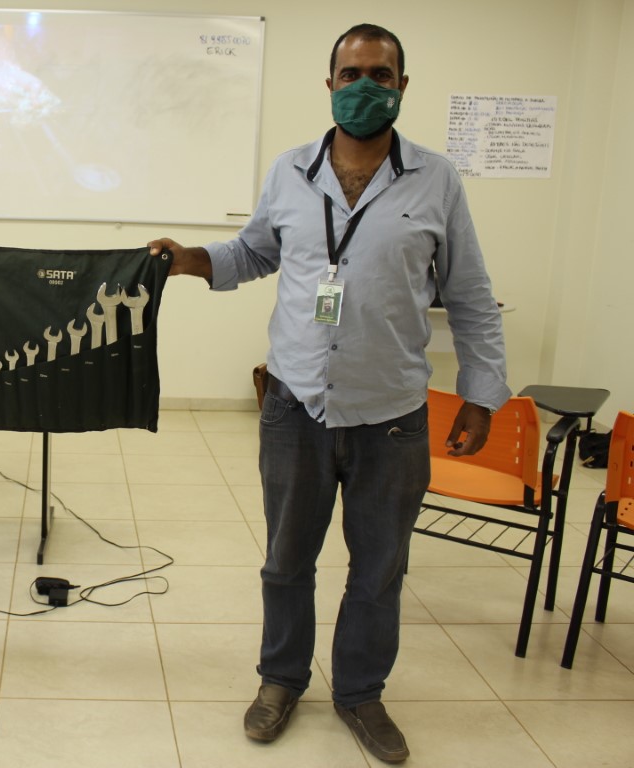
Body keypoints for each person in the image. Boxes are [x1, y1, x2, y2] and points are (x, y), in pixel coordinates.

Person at [149, 24, 509, 764]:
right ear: (330, 84)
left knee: (379, 570)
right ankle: (281, 679)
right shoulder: (291, 170)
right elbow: (254, 251)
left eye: (381, 74)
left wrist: (480, 394)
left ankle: (360, 694)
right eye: (351, 74)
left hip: (393, 415)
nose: (365, 86)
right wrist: (190, 260)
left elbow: (470, 293)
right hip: (296, 406)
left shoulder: (437, 180)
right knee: (286, 561)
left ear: (402, 86)